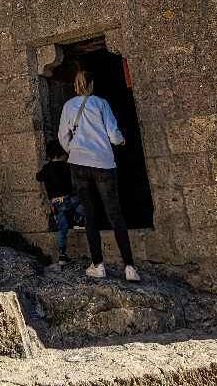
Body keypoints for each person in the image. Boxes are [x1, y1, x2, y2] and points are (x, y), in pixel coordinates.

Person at [58, 68, 140, 282]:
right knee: (115, 213)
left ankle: (98, 265)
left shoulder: (68, 106)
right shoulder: (101, 103)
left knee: (90, 214)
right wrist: (122, 141)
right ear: (92, 84)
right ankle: (130, 267)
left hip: (78, 164)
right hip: (103, 162)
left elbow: (62, 137)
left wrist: (75, 150)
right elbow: (113, 135)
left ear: (75, 86)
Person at [36, 139, 81, 266]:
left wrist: (46, 166)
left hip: (55, 203)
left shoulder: (47, 168)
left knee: (62, 229)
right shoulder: (66, 166)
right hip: (68, 199)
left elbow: (38, 177)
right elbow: (74, 182)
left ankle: (62, 255)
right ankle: (79, 219)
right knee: (83, 201)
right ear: (62, 153)